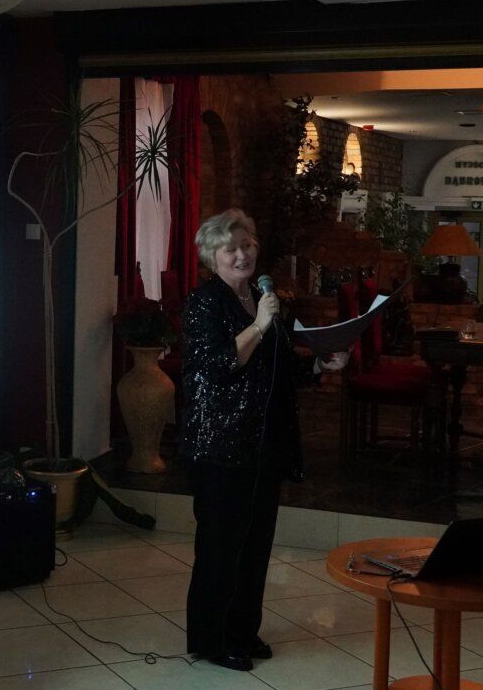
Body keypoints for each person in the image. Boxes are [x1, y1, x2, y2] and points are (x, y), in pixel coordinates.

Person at [181, 208, 345, 671]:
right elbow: (217, 366)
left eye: (247, 245)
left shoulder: (260, 297)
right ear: (211, 256)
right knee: (221, 547)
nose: (242, 255)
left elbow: (278, 367)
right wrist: (258, 325)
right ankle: (213, 641)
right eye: (230, 248)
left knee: (255, 545)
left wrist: (320, 364)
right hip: (221, 443)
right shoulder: (205, 302)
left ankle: (242, 632)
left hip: (264, 441)